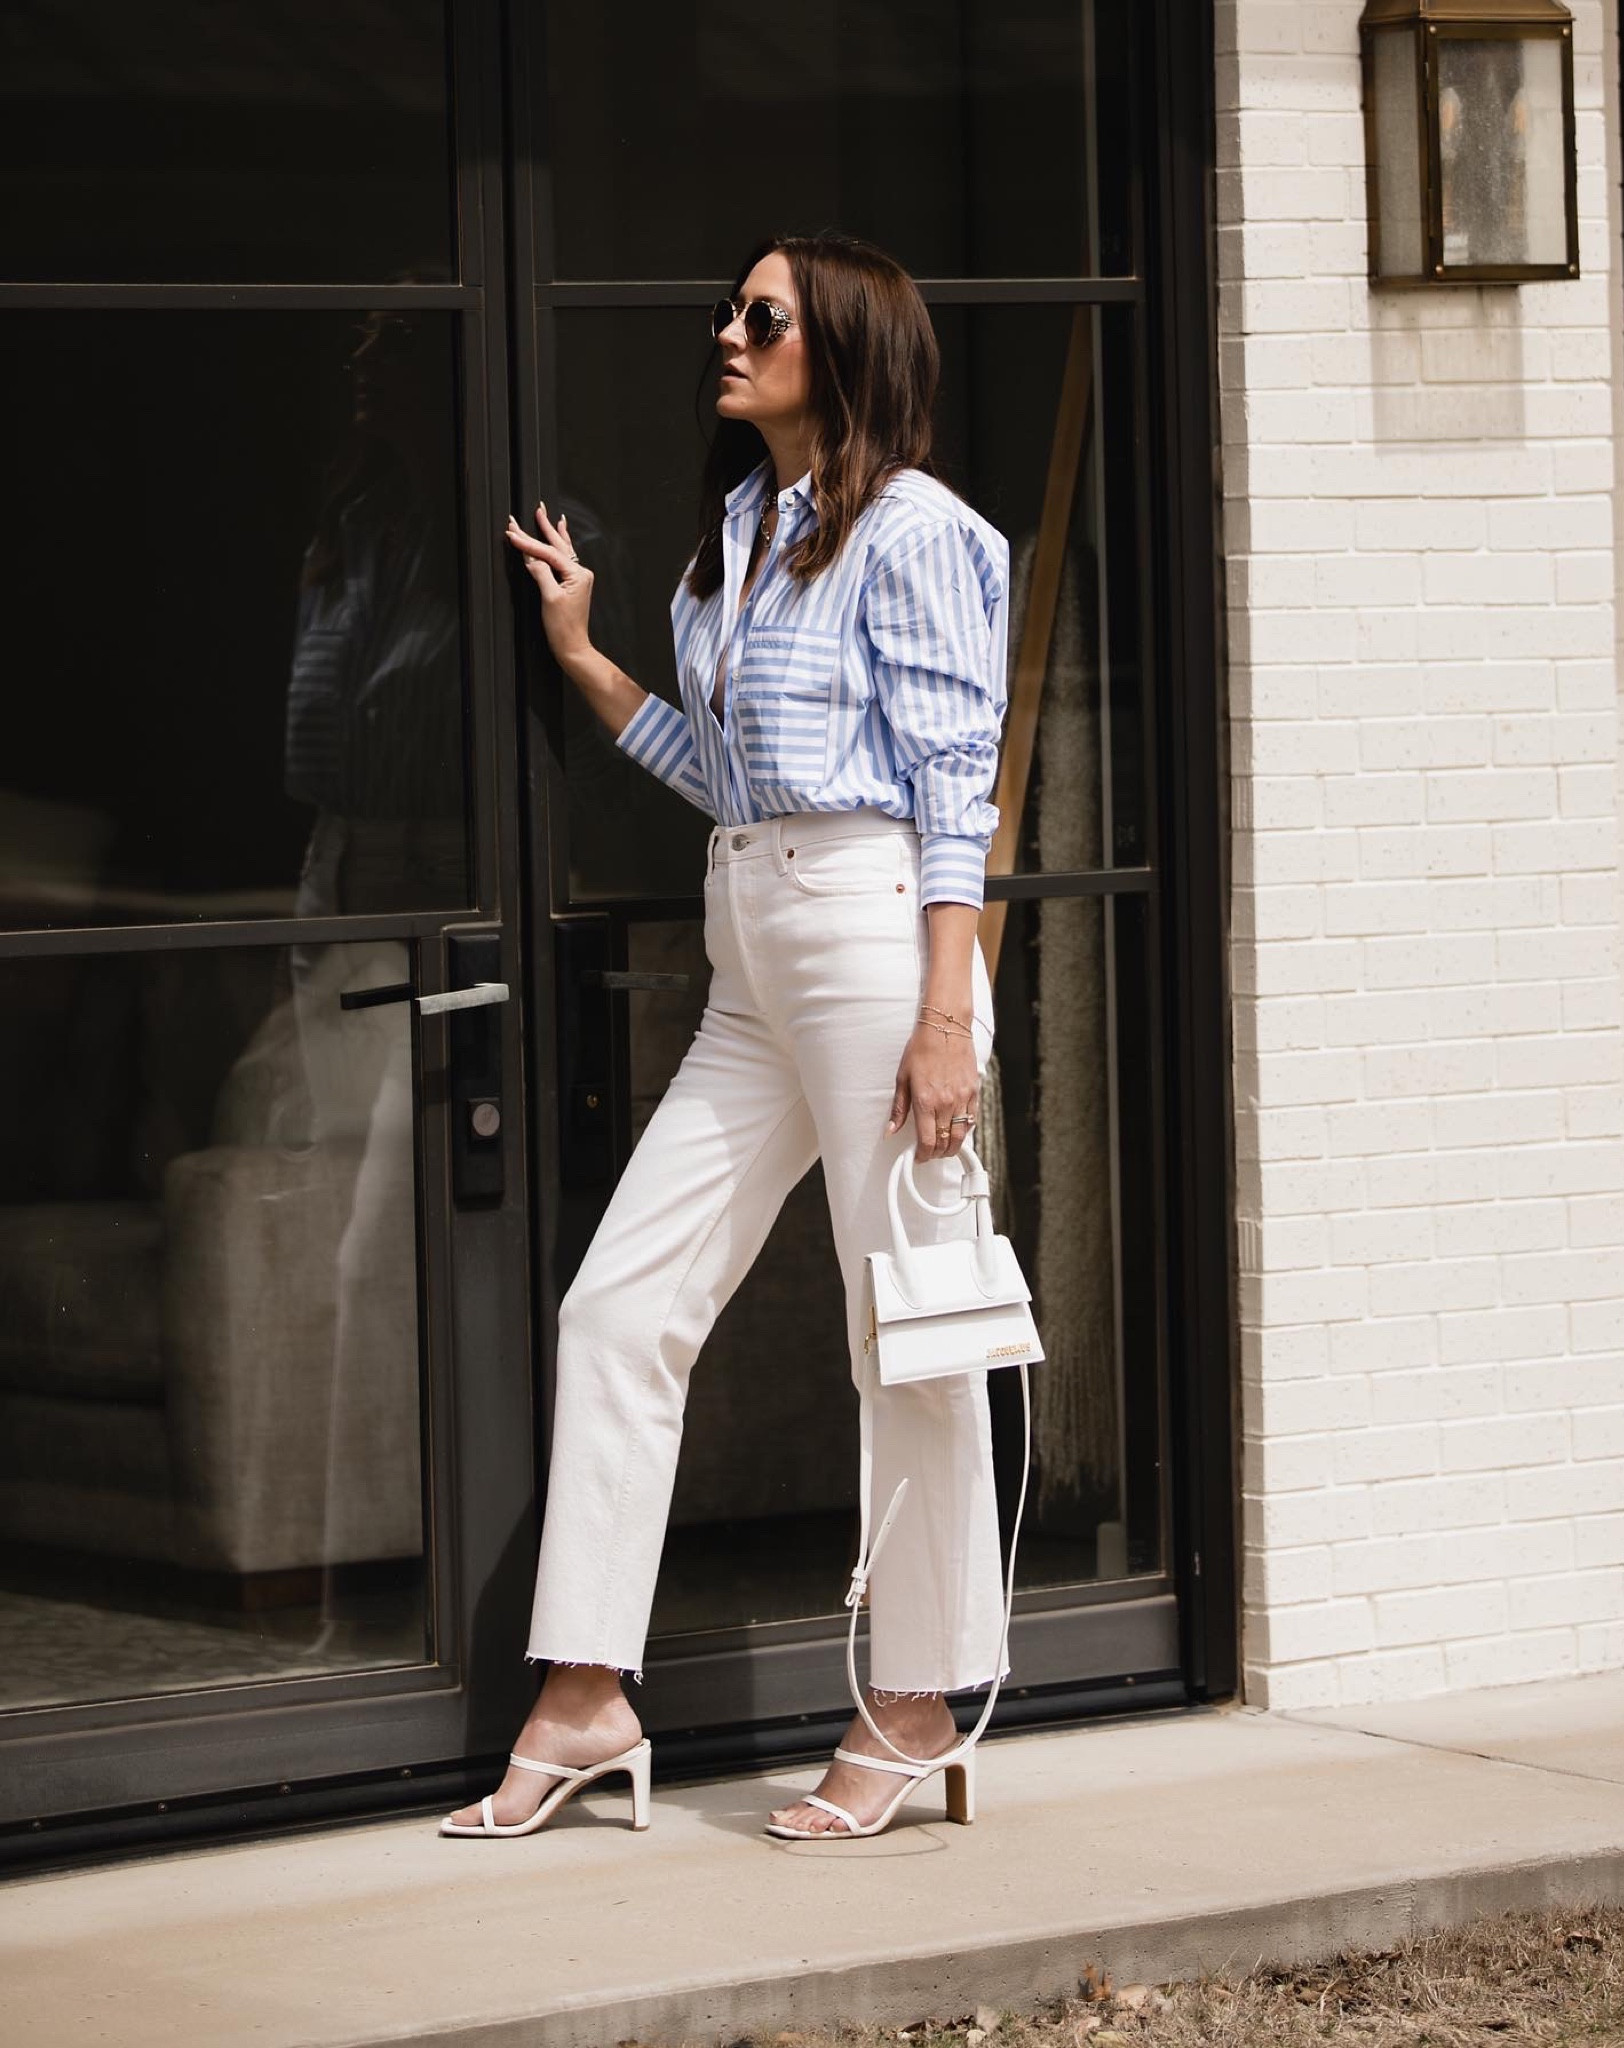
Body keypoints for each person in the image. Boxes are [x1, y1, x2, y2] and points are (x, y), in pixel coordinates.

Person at [442, 230, 1011, 1843]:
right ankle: (585, 1695)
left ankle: (913, 1701)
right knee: (619, 1306)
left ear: (841, 345)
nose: (729, 331)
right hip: (752, 937)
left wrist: (944, 1011)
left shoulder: (918, 536)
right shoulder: (746, 532)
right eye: (730, 309)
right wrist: (585, 659)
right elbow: (729, 772)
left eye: (762, 316)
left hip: (871, 931)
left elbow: (955, 785)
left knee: (906, 1323)